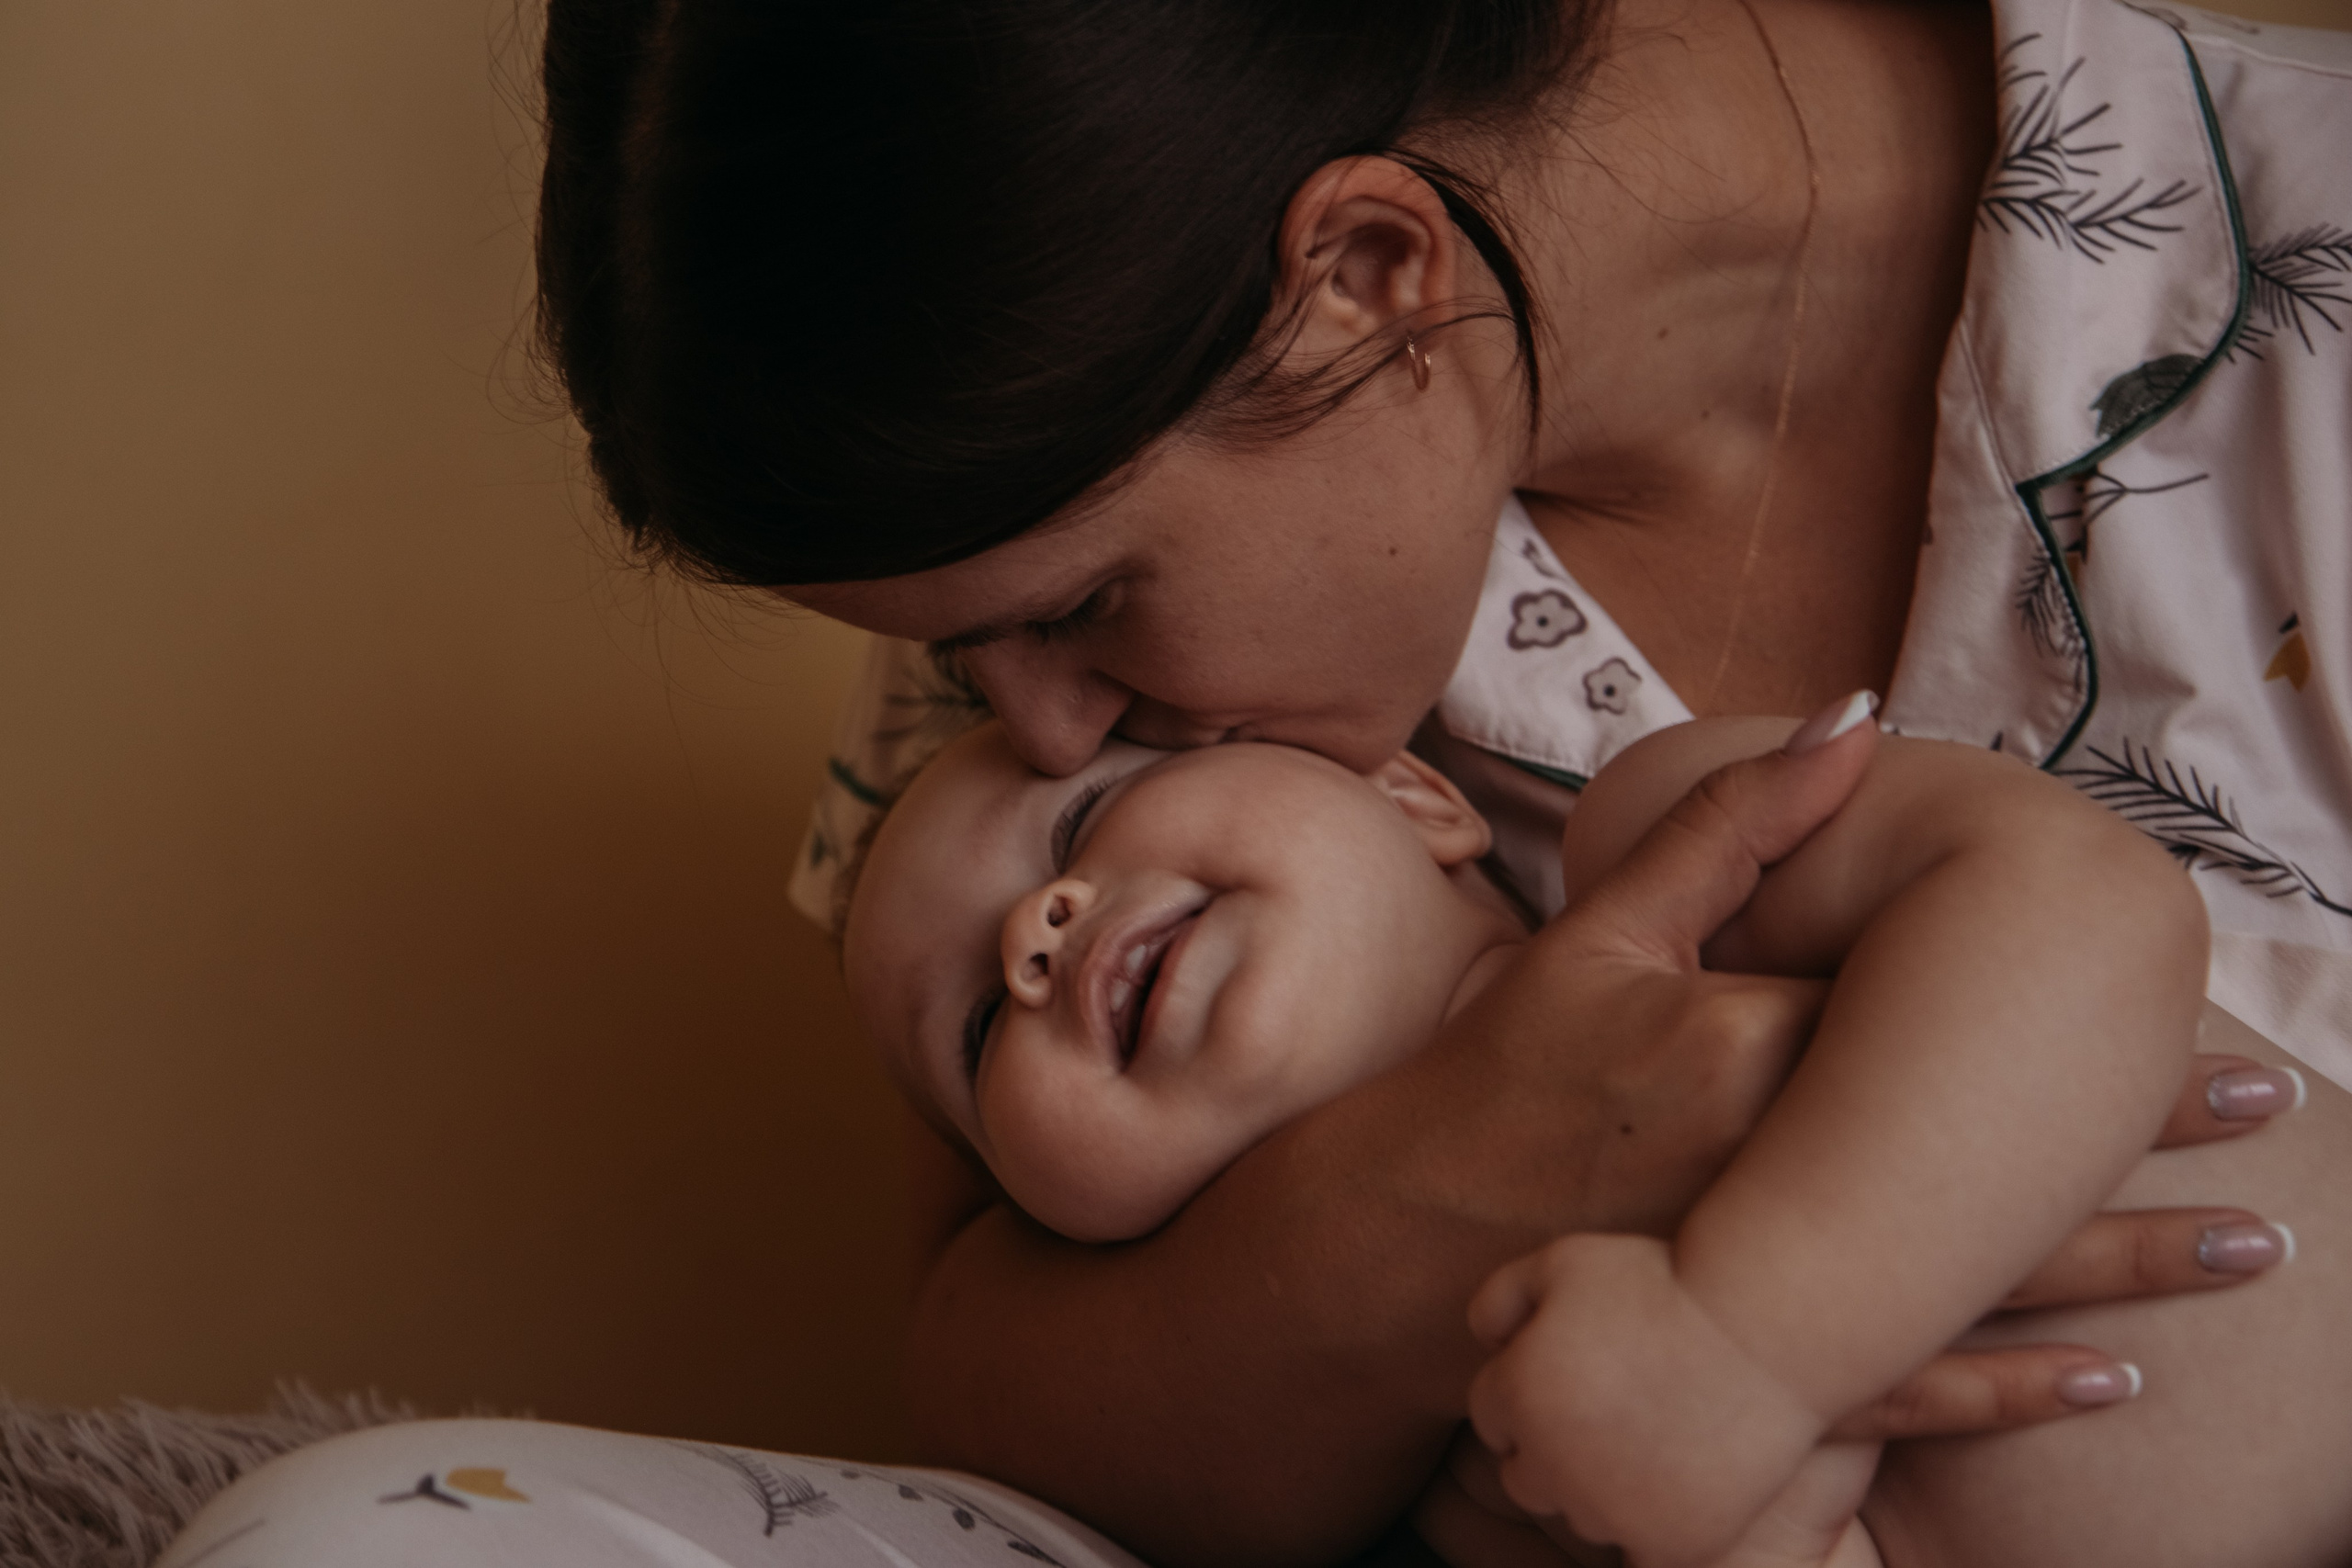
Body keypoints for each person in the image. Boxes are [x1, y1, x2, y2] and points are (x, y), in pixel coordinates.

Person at [153, 0, 2349, 1562]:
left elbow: (2066, 917)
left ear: (1371, 281)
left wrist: (1736, 1330)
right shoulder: (1043, 723)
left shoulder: (2287, 285)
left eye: (1087, 598)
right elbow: (1001, 1369)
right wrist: (1481, 1208)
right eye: (960, 643)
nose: (1032, 726)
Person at [842, 703, 2349, 1565]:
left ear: (1411, 794)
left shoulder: (1692, 851)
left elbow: (2086, 906)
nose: (1036, 939)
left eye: (1078, 822)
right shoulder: (1492, 1468)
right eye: (976, 1038)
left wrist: (1748, 1345)